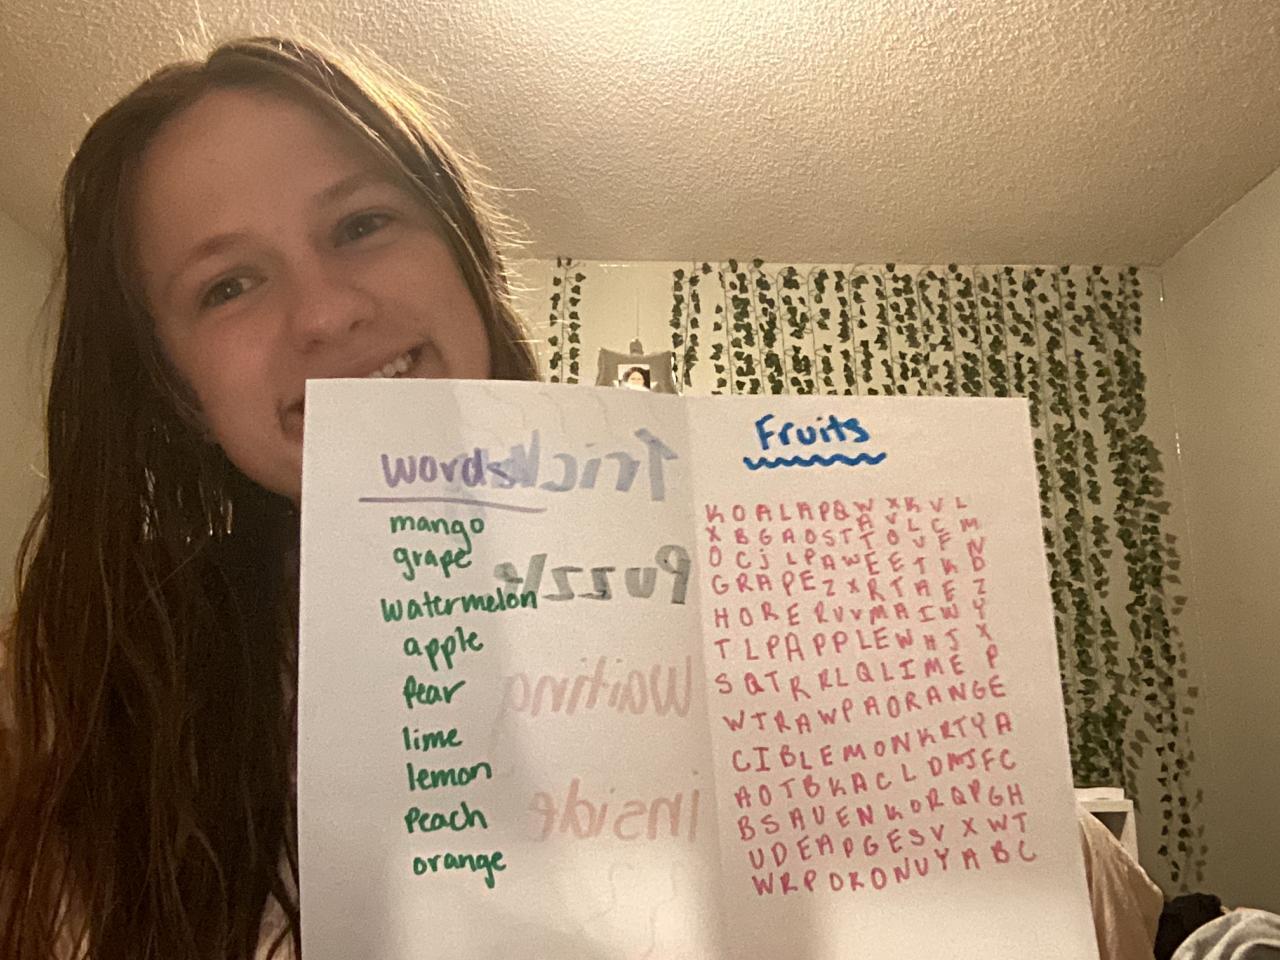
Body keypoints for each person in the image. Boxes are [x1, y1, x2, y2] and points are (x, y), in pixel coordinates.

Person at [0, 35, 536, 959]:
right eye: (229, 286)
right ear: (178, 391)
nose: (327, 311)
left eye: (361, 224)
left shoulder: (711, 589)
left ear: (464, 259)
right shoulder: (87, 699)